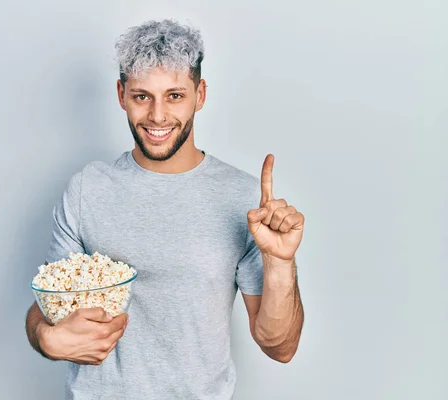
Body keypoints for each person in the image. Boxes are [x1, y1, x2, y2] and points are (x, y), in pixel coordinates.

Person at [25, 18, 305, 400]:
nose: (157, 116)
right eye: (142, 96)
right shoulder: (86, 190)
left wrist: (280, 264)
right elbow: (46, 307)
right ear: (121, 94)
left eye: (174, 96)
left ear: (200, 94)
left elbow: (280, 346)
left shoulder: (244, 200)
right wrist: (46, 338)